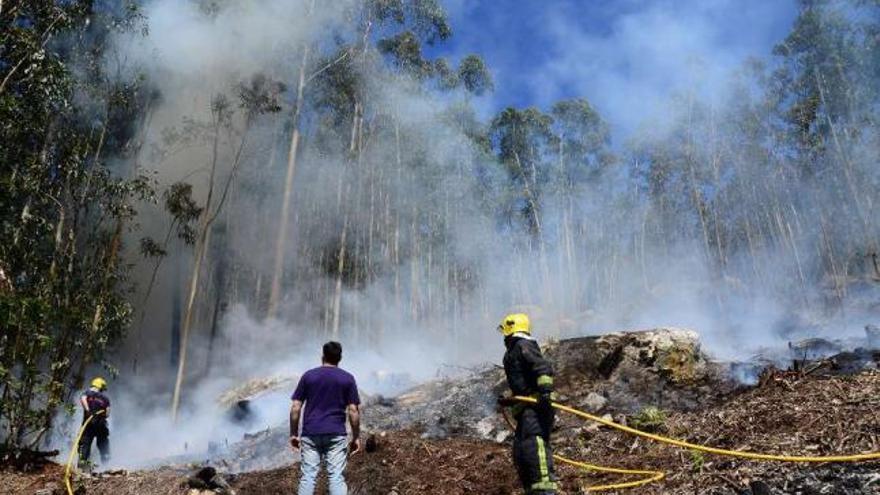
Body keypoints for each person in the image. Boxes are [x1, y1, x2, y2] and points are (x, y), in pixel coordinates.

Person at [289, 341, 361, 495]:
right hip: (336, 434)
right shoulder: (347, 378)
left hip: (310, 433)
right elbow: (353, 410)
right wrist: (356, 437)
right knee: (335, 477)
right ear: (339, 358)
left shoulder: (309, 376)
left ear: (323, 356)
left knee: (308, 476)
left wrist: (294, 434)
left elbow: (296, 407)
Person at [496, 313, 557, 494]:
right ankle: (532, 489)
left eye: (505, 331)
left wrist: (544, 390)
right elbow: (523, 386)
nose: (504, 336)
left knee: (533, 447)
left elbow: (542, 368)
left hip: (536, 408)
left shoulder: (524, 345)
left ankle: (545, 490)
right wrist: (510, 400)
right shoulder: (513, 351)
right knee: (521, 453)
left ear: (511, 329)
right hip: (526, 409)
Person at [79, 377, 111, 468]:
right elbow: (108, 413)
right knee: (103, 442)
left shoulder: (87, 393)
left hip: (88, 424)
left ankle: (82, 465)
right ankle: (106, 463)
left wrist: (88, 410)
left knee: (85, 443)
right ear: (101, 387)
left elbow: (83, 399)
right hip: (101, 424)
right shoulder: (105, 398)